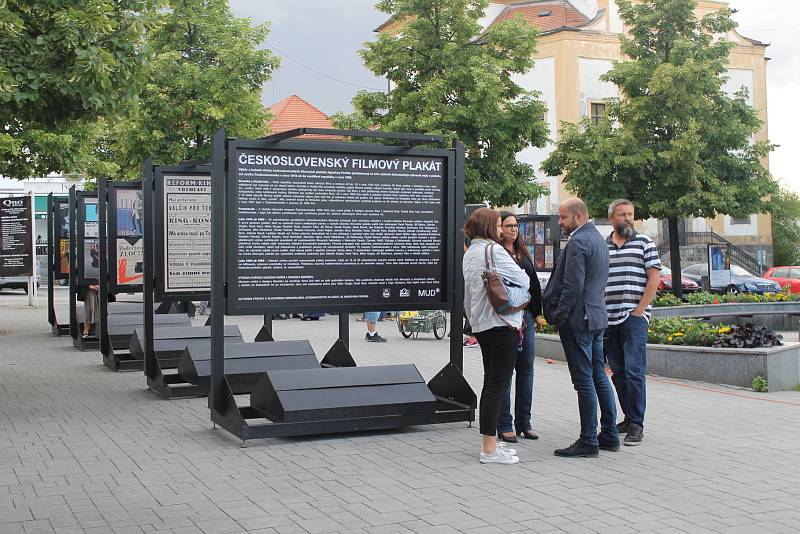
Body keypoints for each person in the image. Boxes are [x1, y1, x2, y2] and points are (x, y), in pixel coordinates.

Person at [542, 198, 618, 458]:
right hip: (596, 317)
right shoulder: (598, 238)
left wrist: (559, 316)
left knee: (584, 380)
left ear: (578, 216)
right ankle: (609, 433)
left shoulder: (578, 242)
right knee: (598, 375)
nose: (560, 223)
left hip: (579, 320)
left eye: (563, 218)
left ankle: (588, 440)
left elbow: (572, 287)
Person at [463, 207, 528, 465]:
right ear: (490, 227)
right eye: (500, 225)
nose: (502, 230)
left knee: (491, 382)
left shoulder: (470, 253)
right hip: (502, 323)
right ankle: (489, 449)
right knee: (497, 386)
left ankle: (489, 442)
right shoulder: (495, 250)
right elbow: (522, 278)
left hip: (482, 324)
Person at [604, 199, 661, 446]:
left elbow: (654, 280)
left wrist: (639, 311)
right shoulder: (602, 246)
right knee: (618, 371)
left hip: (633, 318)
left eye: (630, 214)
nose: (627, 218)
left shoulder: (644, 243)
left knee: (635, 371)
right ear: (612, 219)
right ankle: (628, 417)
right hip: (608, 318)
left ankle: (637, 423)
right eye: (622, 215)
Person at [497, 211, 543, 444]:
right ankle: (504, 424)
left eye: (515, 226)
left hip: (525, 316)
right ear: (499, 228)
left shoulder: (523, 252)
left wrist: (536, 313)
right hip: (506, 317)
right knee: (505, 372)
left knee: (526, 371)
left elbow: (533, 284)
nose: (513, 229)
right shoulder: (496, 253)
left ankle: (524, 423)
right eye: (508, 225)